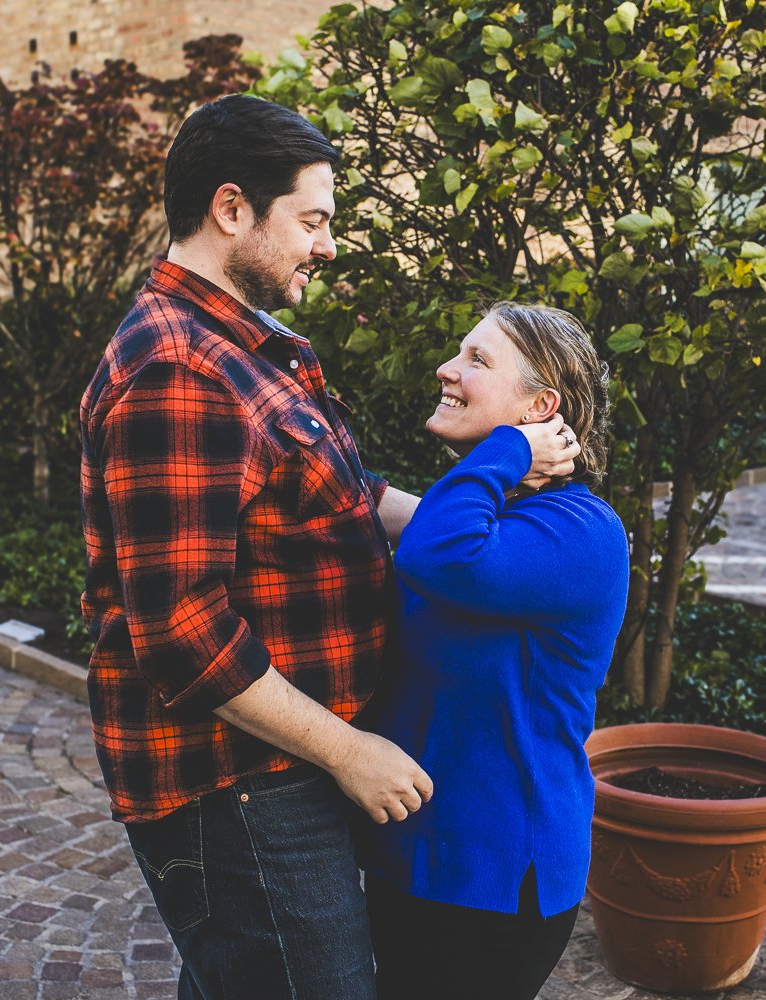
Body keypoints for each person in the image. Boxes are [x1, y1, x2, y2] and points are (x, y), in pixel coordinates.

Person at [78, 96, 579, 1000]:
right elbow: (184, 634)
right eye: (311, 220)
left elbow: (350, 501)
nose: (328, 244)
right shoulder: (180, 373)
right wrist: (350, 752)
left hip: (276, 766)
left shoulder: (250, 346)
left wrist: (496, 523)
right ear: (233, 210)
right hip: (235, 781)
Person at [357, 302, 631, 1000]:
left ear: (543, 406)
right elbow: (417, 529)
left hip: (496, 876)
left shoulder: (581, 532)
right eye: (460, 352)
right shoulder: (492, 516)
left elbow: (438, 553)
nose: (448, 369)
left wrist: (512, 447)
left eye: (479, 360)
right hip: (415, 854)